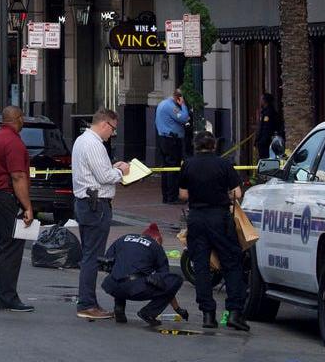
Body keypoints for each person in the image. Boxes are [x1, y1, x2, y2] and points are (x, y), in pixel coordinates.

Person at [179, 130, 249, 331]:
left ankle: (208, 314)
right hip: (219, 218)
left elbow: (183, 195)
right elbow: (237, 193)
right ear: (214, 146)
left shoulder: (188, 165)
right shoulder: (224, 164)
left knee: (201, 266)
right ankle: (235, 312)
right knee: (232, 263)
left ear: (195, 146)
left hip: (197, 218)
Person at [71, 108, 131, 320]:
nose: (112, 134)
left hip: (86, 203)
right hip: (96, 205)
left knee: (89, 254)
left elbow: (96, 171)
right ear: (105, 124)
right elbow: (105, 177)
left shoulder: (82, 140)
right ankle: (87, 303)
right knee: (93, 257)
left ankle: (88, 301)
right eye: (113, 129)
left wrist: (113, 167)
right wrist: (121, 171)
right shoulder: (94, 144)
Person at [0, 105, 34, 312]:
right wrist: (27, 206)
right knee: (11, 247)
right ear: (18, 118)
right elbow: (18, 176)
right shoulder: (13, 142)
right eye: (22, 118)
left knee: (0, 246)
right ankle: (8, 297)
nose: (24, 122)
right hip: (6, 196)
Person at [101, 223, 187, 326]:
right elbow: (166, 283)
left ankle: (119, 307)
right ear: (157, 239)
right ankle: (148, 313)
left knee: (121, 272)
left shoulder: (124, 238)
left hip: (112, 286)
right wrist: (177, 308)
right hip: (136, 289)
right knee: (176, 279)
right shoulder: (155, 246)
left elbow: (107, 261)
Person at [155, 89, 190, 204]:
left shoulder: (162, 103)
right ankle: (172, 197)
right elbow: (184, 118)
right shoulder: (171, 106)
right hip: (172, 140)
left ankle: (166, 196)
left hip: (163, 138)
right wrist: (183, 105)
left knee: (166, 168)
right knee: (173, 168)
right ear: (178, 98)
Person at [253, 93, 284, 159]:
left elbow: (266, 129)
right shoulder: (265, 112)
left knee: (265, 160)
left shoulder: (269, 113)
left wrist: (261, 142)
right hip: (264, 143)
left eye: (261, 99)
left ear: (265, 101)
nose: (260, 101)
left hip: (266, 144)